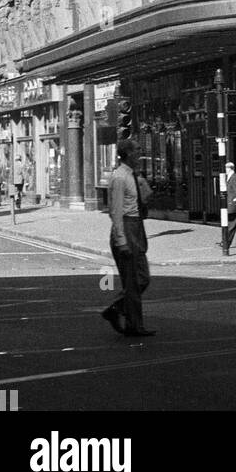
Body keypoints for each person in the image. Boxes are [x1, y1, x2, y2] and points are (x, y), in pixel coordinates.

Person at [101, 139, 154, 339]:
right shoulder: (119, 177)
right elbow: (115, 212)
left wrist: (141, 182)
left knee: (142, 278)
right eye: (137, 150)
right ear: (127, 154)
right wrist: (122, 241)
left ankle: (116, 309)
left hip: (137, 227)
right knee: (132, 282)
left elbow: (147, 197)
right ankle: (134, 326)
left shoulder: (134, 176)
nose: (140, 153)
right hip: (126, 228)